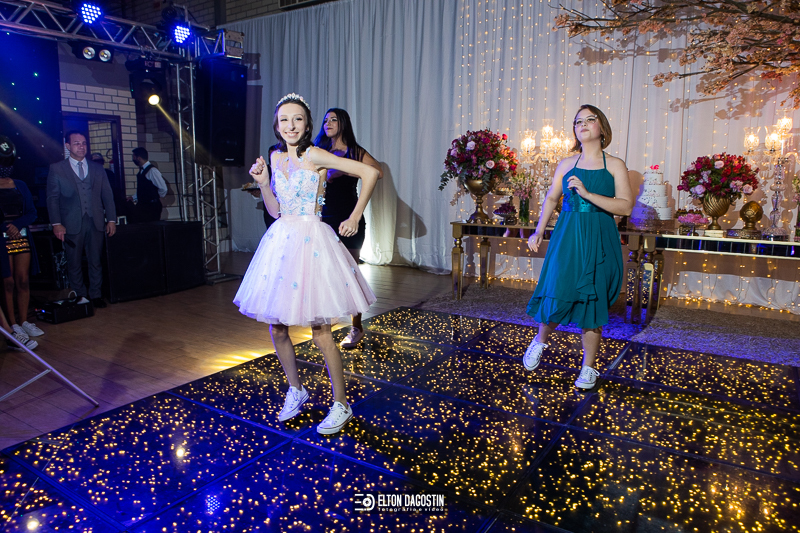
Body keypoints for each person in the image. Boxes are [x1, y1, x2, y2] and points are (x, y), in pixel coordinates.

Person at [234, 94, 379, 435]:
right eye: (284, 119)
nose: (291, 125)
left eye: (297, 119)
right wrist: (263, 184)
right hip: (282, 243)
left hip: (312, 242)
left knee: (321, 332)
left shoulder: (314, 154)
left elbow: (370, 172)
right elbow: (275, 211)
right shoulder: (274, 157)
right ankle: (295, 390)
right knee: (277, 327)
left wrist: (355, 216)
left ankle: (341, 404)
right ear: (276, 124)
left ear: (307, 124)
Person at [524, 104, 633, 390]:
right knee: (557, 288)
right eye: (577, 121)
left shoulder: (615, 165)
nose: (582, 124)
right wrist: (539, 230)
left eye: (589, 119)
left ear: (601, 127)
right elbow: (552, 198)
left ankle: (588, 367)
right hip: (568, 235)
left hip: (600, 237)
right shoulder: (566, 164)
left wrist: (587, 193)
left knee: (592, 300)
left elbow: (625, 206)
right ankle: (539, 341)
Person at [313, 108, 383, 349]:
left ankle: (356, 327)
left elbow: (378, 172)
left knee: (351, 273)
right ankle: (326, 324)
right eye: (325, 120)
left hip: (350, 217)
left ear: (343, 123)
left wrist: (342, 168)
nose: (328, 123)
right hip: (323, 218)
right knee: (324, 271)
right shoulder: (318, 150)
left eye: (333, 119)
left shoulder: (354, 151)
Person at [46, 131, 117, 309]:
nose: (81, 147)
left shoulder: (97, 168)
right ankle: (80, 295)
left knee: (95, 260)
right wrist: (56, 223)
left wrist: (111, 219)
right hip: (70, 222)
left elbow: (107, 195)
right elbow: (52, 198)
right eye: (77, 143)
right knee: (74, 262)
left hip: (96, 221)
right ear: (68, 146)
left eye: (84, 143)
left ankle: (96, 294)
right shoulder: (57, 168)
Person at [0, 160, 44, 341]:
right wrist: (6, 227)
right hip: (2, 239)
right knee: (8, 282)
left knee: (23, 280)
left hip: (21, 236)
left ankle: (24, 321)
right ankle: (13, 325)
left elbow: (32, 212)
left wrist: (16, 225)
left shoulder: (20, 185)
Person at [131, 147, 168, 223]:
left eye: (134, 157)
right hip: (143, 205)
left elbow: (163, 188)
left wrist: (156, 197)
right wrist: (133, 197)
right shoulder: (142, 171)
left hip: (151, 206)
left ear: (139, 158)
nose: (133, 159)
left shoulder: (152, 171)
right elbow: (143, 189)